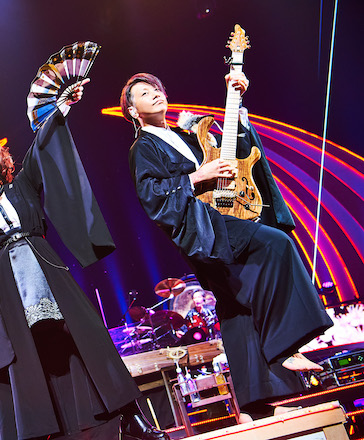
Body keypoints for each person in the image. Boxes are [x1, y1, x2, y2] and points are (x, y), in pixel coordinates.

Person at [0, 82, 169, 440]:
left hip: (46, 269)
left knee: (89, 340)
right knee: (29, 358)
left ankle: (133, 420)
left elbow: (41, 148)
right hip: (10, 286)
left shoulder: (21, 185)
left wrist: (60, 109)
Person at [120, 72, 332, 420]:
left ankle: (256, 403)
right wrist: (197, 176)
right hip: (203, 230)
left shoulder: (186, 136)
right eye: (144, 93)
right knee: (276, 245)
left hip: (223, 215)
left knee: (237, 305)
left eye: (157, 88)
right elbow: (152, 198)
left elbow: (235, 154)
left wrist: (237, 106)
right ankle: (287, 344)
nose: (155, 94)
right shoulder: (143, 148)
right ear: (132, 111)